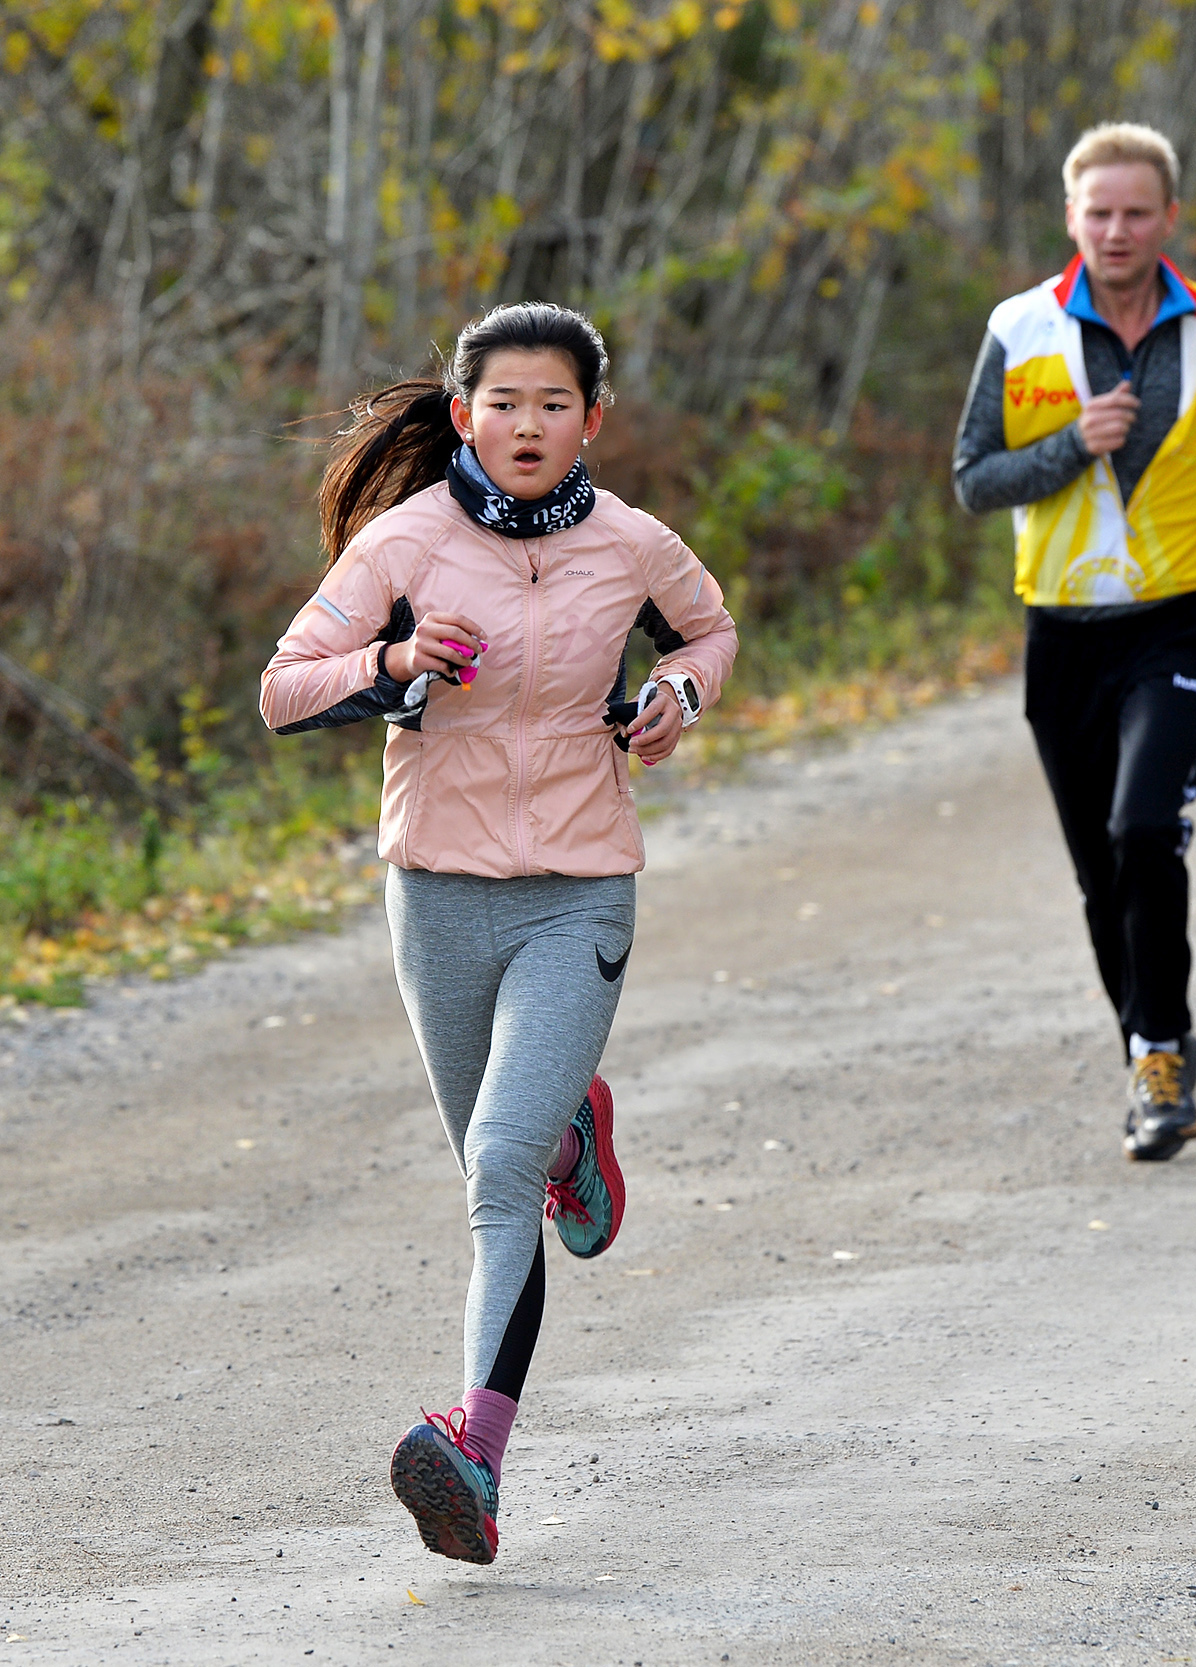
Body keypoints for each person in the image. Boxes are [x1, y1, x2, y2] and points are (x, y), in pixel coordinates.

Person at [259, 303, 737, 1561]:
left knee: (497, 1175)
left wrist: (676, 694)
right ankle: (576, 1117)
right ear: (464, 415)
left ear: (593, 419)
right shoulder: (404, 540)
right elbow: (281, 685)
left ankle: (473, 1447)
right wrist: (397, 659)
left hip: (580, 884)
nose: (530, 425)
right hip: (436, 889)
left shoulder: (632, 542)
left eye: (556, 404)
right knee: (495, 1161)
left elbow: (709, 629)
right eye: (506, 404)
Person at [951, 122, 1196, 1164]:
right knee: (1102, 872)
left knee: (1144, 827)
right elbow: (972, 480)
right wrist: (1069, 445)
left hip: (1180, 617)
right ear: (1070, 216)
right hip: (1062, 635)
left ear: (1168, 218)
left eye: (1135, 212)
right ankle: (1156, 1042)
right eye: (1097, 212)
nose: (1115, 229)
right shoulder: (1019, 327)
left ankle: (1155, 1059)